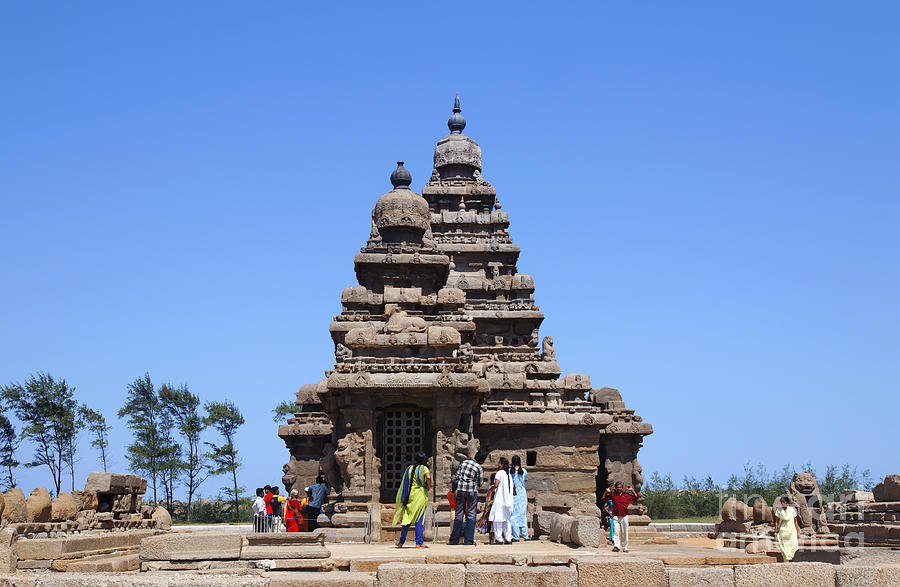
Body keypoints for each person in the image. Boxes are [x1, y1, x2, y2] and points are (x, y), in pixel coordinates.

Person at [393, 451, 432, 548]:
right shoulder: (424, 468)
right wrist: (428, 485)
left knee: (407, 518)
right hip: (420, 495)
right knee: (419, 519)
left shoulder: (409, 469)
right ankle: (418, 542)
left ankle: (401, 542)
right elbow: (428, 476)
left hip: (410, 495)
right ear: (424, 460)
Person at [449, 449, 487, 545]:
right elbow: (480, 483)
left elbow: (457, 476)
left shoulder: (464, 462)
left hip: (460, 490)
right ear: (482, 460)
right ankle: (468, 540)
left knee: (458, 514)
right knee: (471, 515)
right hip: (471, 491)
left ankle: (454, 540)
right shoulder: (478, 467)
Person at [601, 481, 640, 552]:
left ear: (622, 488)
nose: (618, 489)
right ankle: (616, 546)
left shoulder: (626, 495)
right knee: (616, 531)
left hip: (624, 516)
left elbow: (636, 498)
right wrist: (606, 492)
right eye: (617, 487)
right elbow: (603, 499)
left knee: (624, 532)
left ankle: (625, 547)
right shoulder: (613, 495)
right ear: (615, 488)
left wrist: (632, 490)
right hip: (615, 516)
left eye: (620, 488)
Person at [489, 457, 514, 544]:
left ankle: (499, 538)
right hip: (508, 501)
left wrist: (491, 489)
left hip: (500, 499)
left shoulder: (499, 473)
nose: (498, 465)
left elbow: (496, 484)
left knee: (497, 519)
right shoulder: (508, 474)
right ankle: (508, 538)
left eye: (499, 463)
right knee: (506, 520)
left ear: (502, 465)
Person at [774, 496, 800, 562]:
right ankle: (785, 560)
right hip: (783, 531)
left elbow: (795, 521)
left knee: (792, 544)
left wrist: (798, 532)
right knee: (784, 546)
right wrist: (775, 532)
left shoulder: (792, 510)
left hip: (791, 530)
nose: (783, 503)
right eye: (782, 502)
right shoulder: (779, 510)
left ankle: (791, 559)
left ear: (787, 503)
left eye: (784, 502)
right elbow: (776, 522)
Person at [509, 455, 528, 541]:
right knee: (522, 515)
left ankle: (516, 536)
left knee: (513, 516)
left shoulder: (510, 472)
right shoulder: (524, 471)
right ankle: (525, 536)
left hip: (513, 495)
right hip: (522, 495)